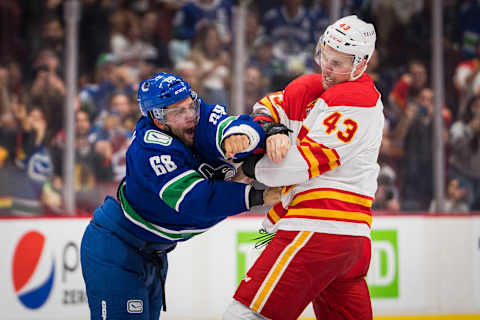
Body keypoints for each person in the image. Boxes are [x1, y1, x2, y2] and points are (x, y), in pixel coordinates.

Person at [80, 72, 282, 319]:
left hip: (153, 252)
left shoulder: (200, 116)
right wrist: (257, 196)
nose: (190, 116)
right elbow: (195, 200)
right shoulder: (149, 149)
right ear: (158, 119)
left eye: (190, 106)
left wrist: (250, 134)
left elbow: (231, 125)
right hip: (117, 246)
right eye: (177, 112)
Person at [223, 15, 384, 320]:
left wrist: (253, 166)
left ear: (361, 64)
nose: (327, 66)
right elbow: (267, 109)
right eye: (325, 55)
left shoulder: (356, 103)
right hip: (350, 242)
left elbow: (300, 166)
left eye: (338, 62)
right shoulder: (317, 90)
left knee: (244, 315)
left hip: (319, 227)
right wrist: (272, 130)